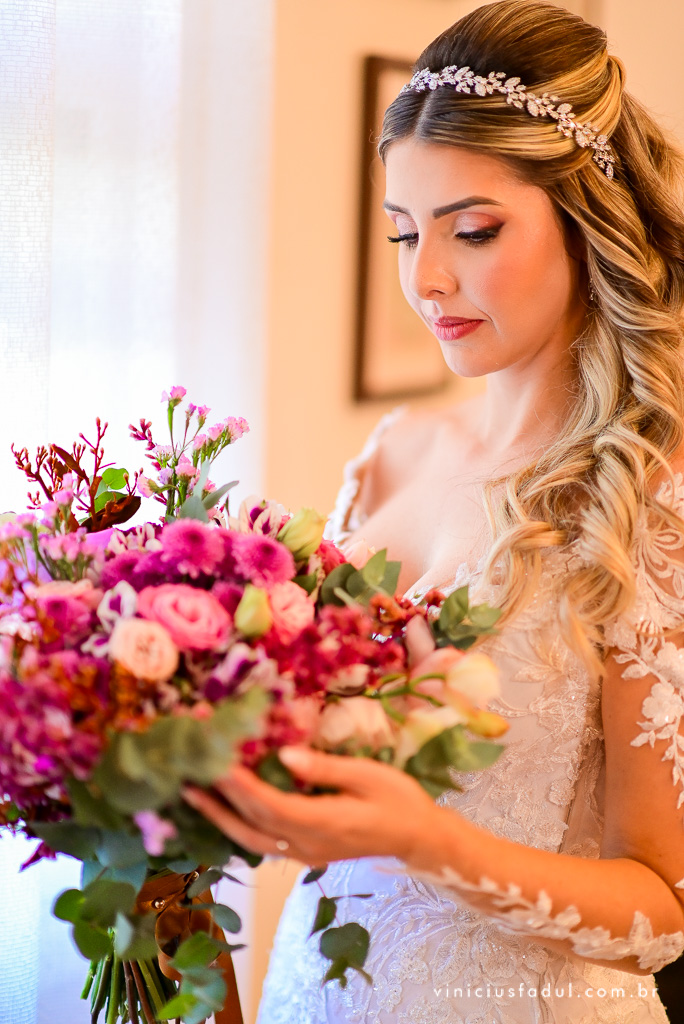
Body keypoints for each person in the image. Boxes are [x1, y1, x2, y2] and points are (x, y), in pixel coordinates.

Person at [183, 2, 684, 1020]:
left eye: (474, 230)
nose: (428, 278)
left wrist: (427, 838)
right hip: (318, 985)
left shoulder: (650, 492)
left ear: (587, 216)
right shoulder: (388, 457)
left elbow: (664, 911)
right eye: (404, 233)